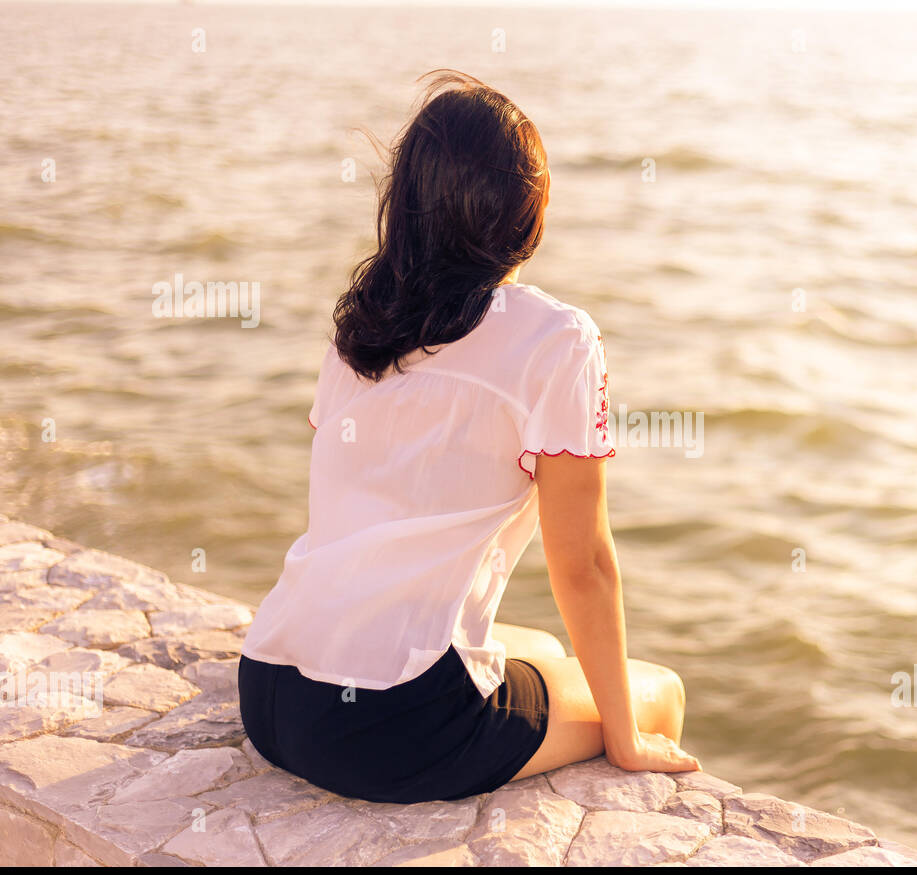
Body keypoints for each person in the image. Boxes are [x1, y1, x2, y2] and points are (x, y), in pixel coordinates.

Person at [236, 69, 701, 805]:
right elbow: (582, 565)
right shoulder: (558, 340)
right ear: (530, 211)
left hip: (270, 691)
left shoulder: (361, 322)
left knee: (545, 651)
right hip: (391, 726)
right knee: (659, 691)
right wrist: (626, 736)